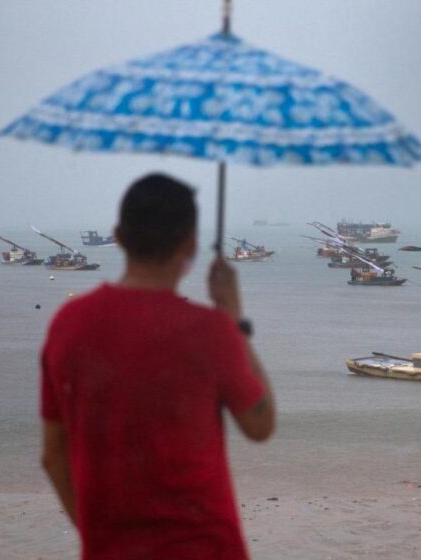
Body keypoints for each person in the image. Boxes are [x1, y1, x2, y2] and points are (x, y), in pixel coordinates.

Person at [40, 173, 274, 559]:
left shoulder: (68, 324)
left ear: (118, 236)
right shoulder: (210, 331)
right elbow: (260, 424)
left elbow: (53, 457)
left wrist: (101, 538)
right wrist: (233, 319)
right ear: (191, 245)